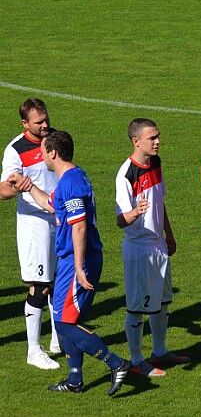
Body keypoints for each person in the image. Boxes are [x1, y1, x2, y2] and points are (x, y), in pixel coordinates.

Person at [17, 130, 130, 395]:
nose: (41, 154)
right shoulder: (71, 178)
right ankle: (75, 379)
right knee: (65, 318)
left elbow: (78, 227)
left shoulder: (70, 183)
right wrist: (29, 186)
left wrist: (78, 267)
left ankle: (116, 363)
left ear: (53, 153)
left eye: (43, 150)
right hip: (73, 258)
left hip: (80, 259)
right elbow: (51, 205)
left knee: (66, 322)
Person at [115, 119, 189, 377]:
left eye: (158, 136)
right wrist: (135, 212)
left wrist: (168, 232)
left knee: (163, 302)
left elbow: (160, 200)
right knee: (137, 307)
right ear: (136, 141)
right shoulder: (127, 174)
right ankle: (136, 361)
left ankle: (159, 351)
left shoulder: (155, 163)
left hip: (158, 244)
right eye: (152, 138)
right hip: (139, 250)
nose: (158, 142)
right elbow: (119, 220)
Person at [1, 98, 61, 369]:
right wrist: (20, 186)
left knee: (59, 281)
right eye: (39, 122)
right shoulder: (16, 149)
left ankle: (58, 339)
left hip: (59, 220)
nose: (45, 125)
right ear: (25, 123)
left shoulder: (55, 139)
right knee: (39, 285)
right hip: (35, 224)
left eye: (46, 119)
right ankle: (33, 350)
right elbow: (3, 190)